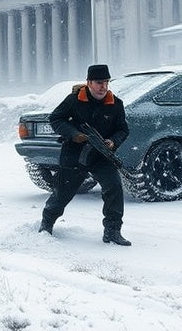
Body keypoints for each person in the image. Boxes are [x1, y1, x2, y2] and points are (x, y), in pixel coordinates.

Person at [39, 64, 132, 246]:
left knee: (114, 188)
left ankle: (112, 231)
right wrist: (74, 134)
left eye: (106, 82)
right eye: (99, 82)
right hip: (74, 155)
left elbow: (123, 129)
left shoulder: (115, 104)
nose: (103, 87)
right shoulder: (74, 100)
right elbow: (56, 118)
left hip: (101, 156)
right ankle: (47, 223)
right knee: (62, 193)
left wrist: (112, 141)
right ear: (89, 82)